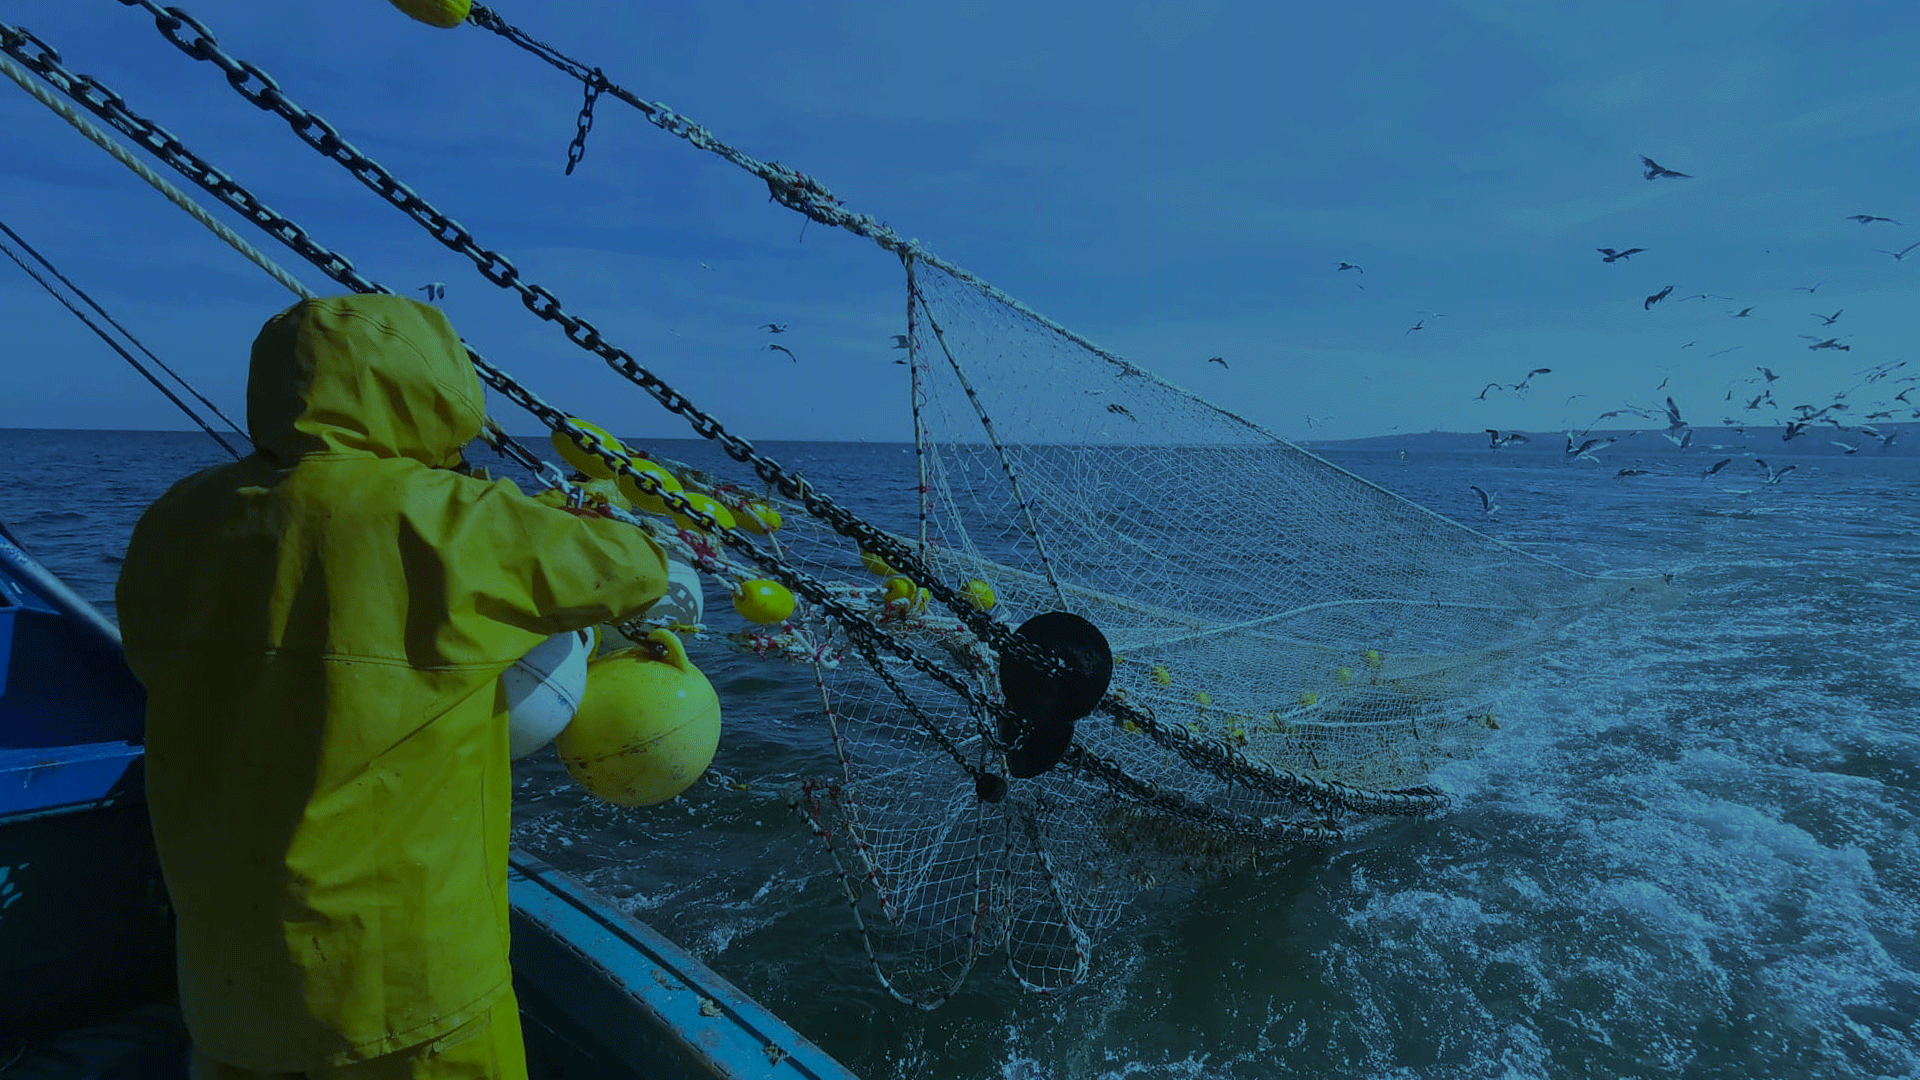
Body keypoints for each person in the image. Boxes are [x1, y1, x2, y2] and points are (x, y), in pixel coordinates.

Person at [115, 294, 670, 1079]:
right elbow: (633, 568)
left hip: (230, 978)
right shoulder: (449, 518)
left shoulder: (173, 520)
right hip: (409, 990)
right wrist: (605, 504)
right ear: (435, 391)